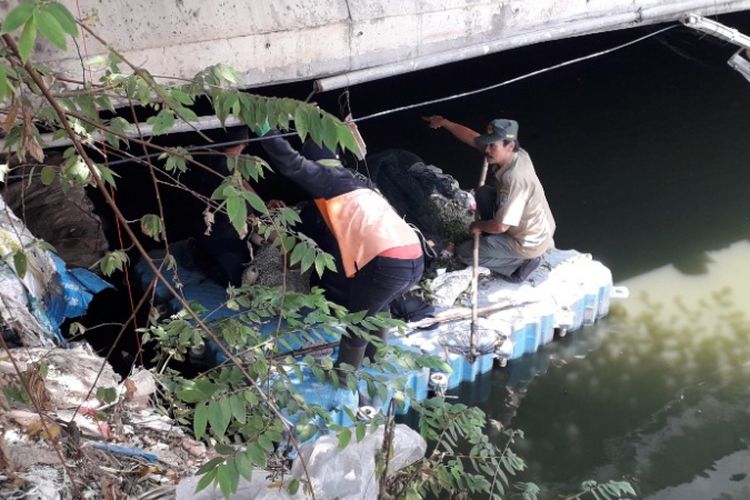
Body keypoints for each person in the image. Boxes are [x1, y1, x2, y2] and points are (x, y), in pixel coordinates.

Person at [258, 130, 424, 372]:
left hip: (387, 261)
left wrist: (266, 133)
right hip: (413, 256)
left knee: (357, 322)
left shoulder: (328, 179)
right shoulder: (359, 182)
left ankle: (344, 377)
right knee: (379, 306)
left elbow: (290, 164)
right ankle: (374, 361)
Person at [424, 116, 555, 282]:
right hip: (530, 224)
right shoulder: (517, 154)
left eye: (492, 145)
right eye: (488, 143)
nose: (487, 149)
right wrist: (446, 123)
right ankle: (492, 241)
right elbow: (473, 138)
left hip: (528, 241)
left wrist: (477, 225)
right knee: (483, 193)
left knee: (465, 253)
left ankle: (518, 266)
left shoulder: (515, 178)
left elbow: (500, 226)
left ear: (510, 146)